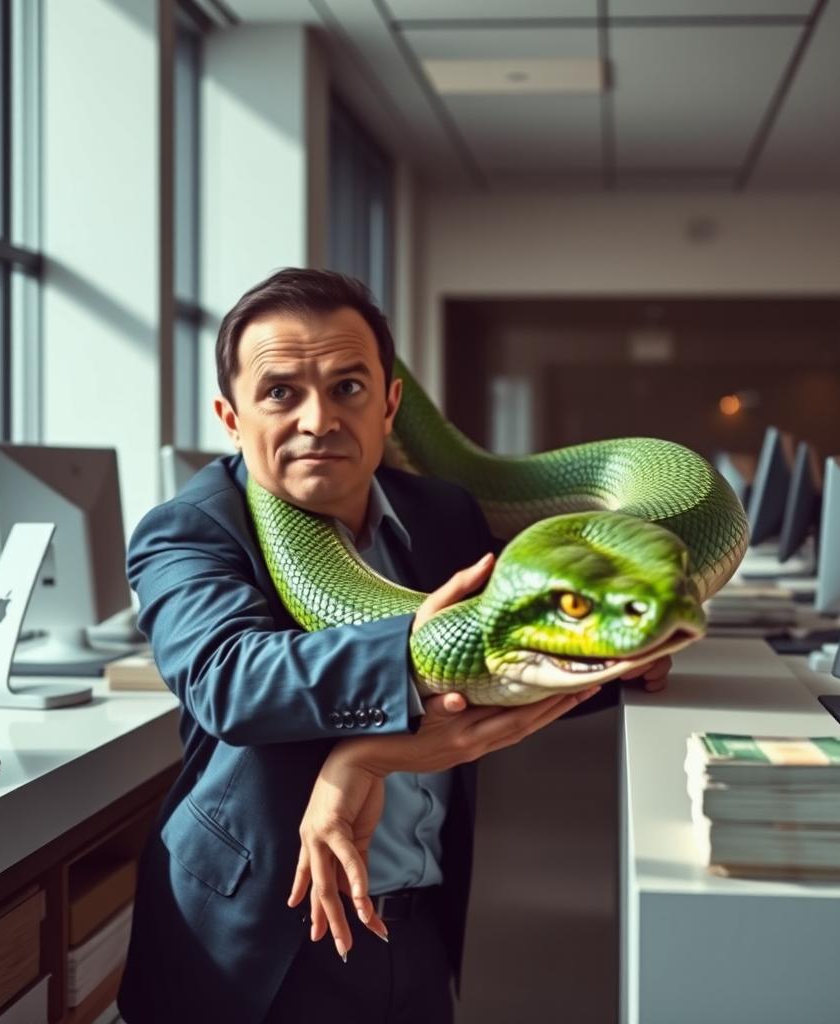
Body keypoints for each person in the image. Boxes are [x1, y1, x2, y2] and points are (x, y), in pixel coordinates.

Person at [116, 268, 671, 1024]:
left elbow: (495, 669)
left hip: (419, 914)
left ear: (390, 404)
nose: (319, 419)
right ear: (231, 416)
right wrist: (426, 644)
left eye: (348, 387)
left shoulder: (443, 513)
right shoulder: (190, 526)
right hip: (256, 938)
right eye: (281, 392)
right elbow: (229, 680)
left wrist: (615, 659)